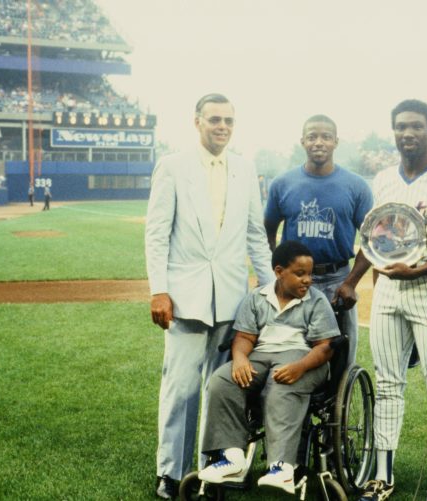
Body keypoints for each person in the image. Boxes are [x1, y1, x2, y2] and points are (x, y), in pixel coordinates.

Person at [339, 99, 427, 501]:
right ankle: (382, 474)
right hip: (386, 291)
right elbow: (373, 238)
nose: (408, 134)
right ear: (393, 131)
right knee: (387, 383)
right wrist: (352, 282)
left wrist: (422, 268)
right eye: (401, 127)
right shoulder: (383, 179)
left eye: (416, 126)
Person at [144, 93, 274, 499]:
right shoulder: (172, 166)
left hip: (231, 298)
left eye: (229, 121)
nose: (222, 127)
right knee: (181, 388)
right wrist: (159, 290)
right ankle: (171, 472)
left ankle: (212, 470)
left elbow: (256, 234)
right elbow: (157, 232)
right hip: (184, 298)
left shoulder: (245, 168)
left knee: (221, 389)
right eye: (215, 119)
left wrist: (270, 290)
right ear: (197, 121)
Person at [197, 240, 339, 494]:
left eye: (310, 274)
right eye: (300, 274)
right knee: (222, 380)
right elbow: (243, 338)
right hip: (261, 355)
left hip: (305, 358)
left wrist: (299, 367)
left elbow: (325, 347)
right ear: (278, 271)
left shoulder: (317, 302)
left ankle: (282, 467)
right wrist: (240, 359)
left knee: (281, 385)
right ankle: (232, 457)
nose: (308, 280)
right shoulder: (257, 298)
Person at [264, 114, 373, 365]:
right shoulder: (283, 183)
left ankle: (338, 400)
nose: (319, 142)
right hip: (295, 278)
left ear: (336, 141)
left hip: (337, 278)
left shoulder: (356, 186)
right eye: (312, 137)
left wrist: (351, 283)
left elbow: (372, 241)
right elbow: (268, 228)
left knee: (341, 353)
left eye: (325, 137)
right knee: (290, 348)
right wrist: (278, 269)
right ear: (302, 141)